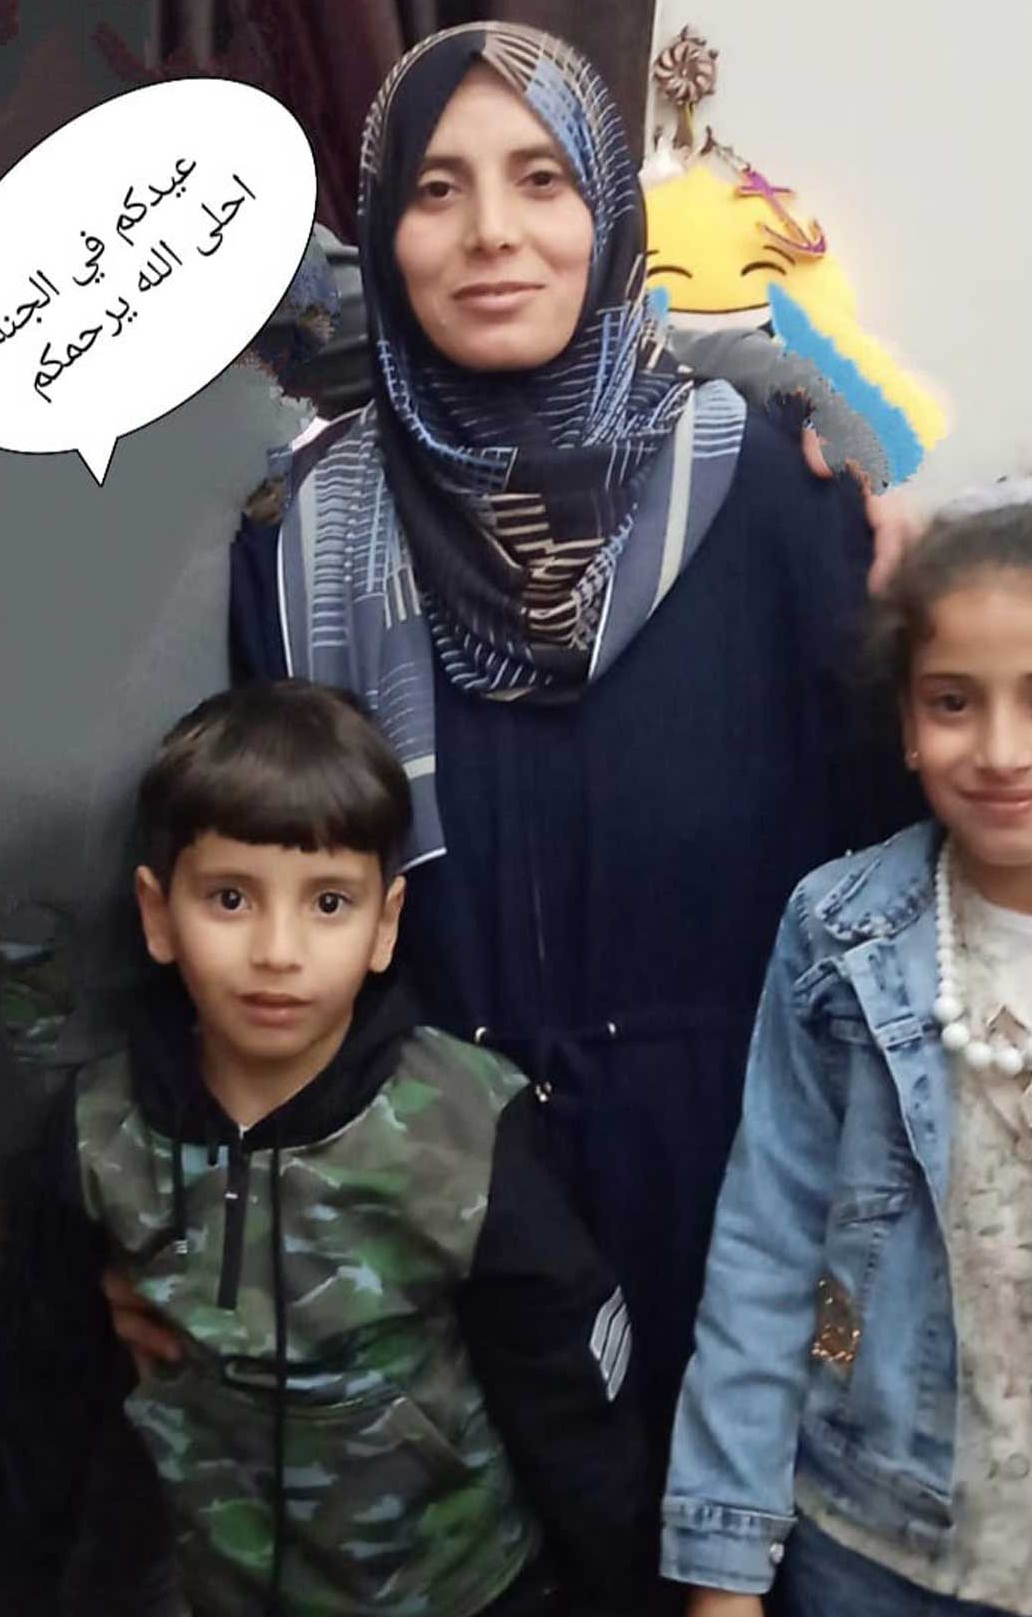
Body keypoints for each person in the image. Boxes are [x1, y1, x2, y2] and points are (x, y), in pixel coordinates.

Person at [111, 21, 921, 1527]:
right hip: (421, 1226)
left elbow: (907, 875)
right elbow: (246, 878)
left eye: (542, 180)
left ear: (607, 209)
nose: (491, 231)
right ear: (384, 234)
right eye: (436, 188)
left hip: (750, 1202)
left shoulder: (777, 493)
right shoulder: (296, 540)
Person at [7, 680, 649, 1617]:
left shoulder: (467, 1125)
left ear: (385, 924)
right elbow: (41, 1398)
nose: (278, 950)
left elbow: (572, 1403)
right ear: (158, 914)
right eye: (231, 898)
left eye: (329, 903)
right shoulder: (95, 1132)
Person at [663, 476, 1032, 1617]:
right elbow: (765, 1249)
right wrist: (723, 1568)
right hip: (871, 1549)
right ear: (906, 725)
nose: (1001, 749)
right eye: (952, 702)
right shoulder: (840, 932)